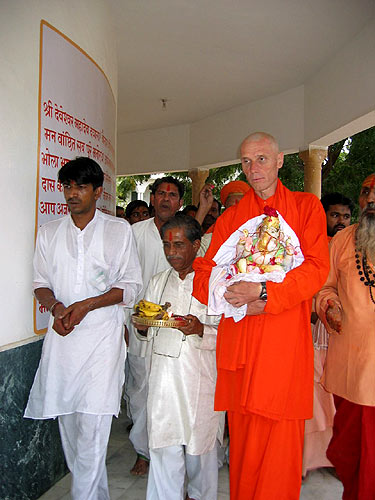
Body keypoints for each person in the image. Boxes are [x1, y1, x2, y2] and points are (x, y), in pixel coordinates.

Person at [193, 132, 330, 499]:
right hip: (241, 347)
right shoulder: (232, 218)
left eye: (261, 159)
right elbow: (204, 272)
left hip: (282, 347)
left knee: (280, 449)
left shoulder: (305, 208)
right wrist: (231, 296)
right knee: (244, 451)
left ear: (280, 159)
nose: (253, 169)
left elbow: (316, 269)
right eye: (246, 161)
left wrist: (266, 293)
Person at [24, 157, 142, 500]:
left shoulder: (118, 230)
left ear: (98, 191)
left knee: (93, 425)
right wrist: (58, 308)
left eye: (81, 187)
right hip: (63, 342)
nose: (72, 194)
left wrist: (87, 305)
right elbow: (39, 283)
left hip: (102, 342)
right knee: (72, 429)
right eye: (68, 187)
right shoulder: (49, 233)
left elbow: (131, 285)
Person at [134, 214, 224, 500]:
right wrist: (142, 326)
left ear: (197, 245)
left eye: (178, 245)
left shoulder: (215, 284)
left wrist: (200, 329)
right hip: (163, 380)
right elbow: (144, 330)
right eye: (166, 245)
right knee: (164, 444)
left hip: (201, 378)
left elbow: (232, 336)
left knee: (202, 450)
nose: (171, 253)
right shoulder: (157, 282)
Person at [316, 173, 375, 500]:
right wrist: (330, 306)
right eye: (366, 192)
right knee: (352, 452)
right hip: (352, 367)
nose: (371, 199)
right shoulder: (341, 240)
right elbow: (324, 287)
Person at [125, 176, 184, 475]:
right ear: (152, 198)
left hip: (177, 327)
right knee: (140, 391)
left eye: (172, 195)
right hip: (141, 325)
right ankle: (143, 452)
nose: (165, 199)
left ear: (180, 202)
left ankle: (169, 453)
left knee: (173, 392)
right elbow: (123, 277)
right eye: (160, 193)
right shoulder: (134, 233)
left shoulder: (187, 233)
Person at [302, 193, 353, 477]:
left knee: (336, 398)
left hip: (343, 335)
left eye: (346, 216)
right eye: (335, 215)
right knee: (312, 397)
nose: (341, 222)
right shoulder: (311, 247)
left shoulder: (355, 247)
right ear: (323, 217)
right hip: (311, 330)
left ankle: (334, 459)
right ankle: (306, 460)